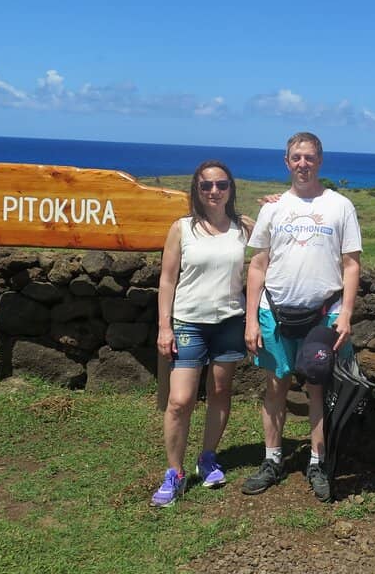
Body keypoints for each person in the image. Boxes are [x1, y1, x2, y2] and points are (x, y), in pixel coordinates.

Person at [242, 132, 362, 502]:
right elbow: (258, 264)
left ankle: (317, 461)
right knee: (275, 387)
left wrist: (346, 314)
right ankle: (272, 459)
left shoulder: (340, 206)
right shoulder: (272, 209)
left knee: (316, 389)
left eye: (309, 157)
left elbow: (351, 264)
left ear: (320, 161)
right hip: (274, 312)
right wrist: (250, 320)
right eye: (296, 157)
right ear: (286, 161)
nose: (303, 164)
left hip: (322, 314)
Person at [151, 160, 253, 507]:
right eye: (206, 185)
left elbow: (276, 244)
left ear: (230, 189)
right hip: (188, 322)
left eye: (221, 185)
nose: (214, 191)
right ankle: (174, 472)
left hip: (229, 321)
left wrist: (276, 205)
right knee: (179, 401)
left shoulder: (244, 227)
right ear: (197, 189)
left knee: (221, 391)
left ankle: (208, 456)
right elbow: (167, 280)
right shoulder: (182, 228)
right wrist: (164, 326)